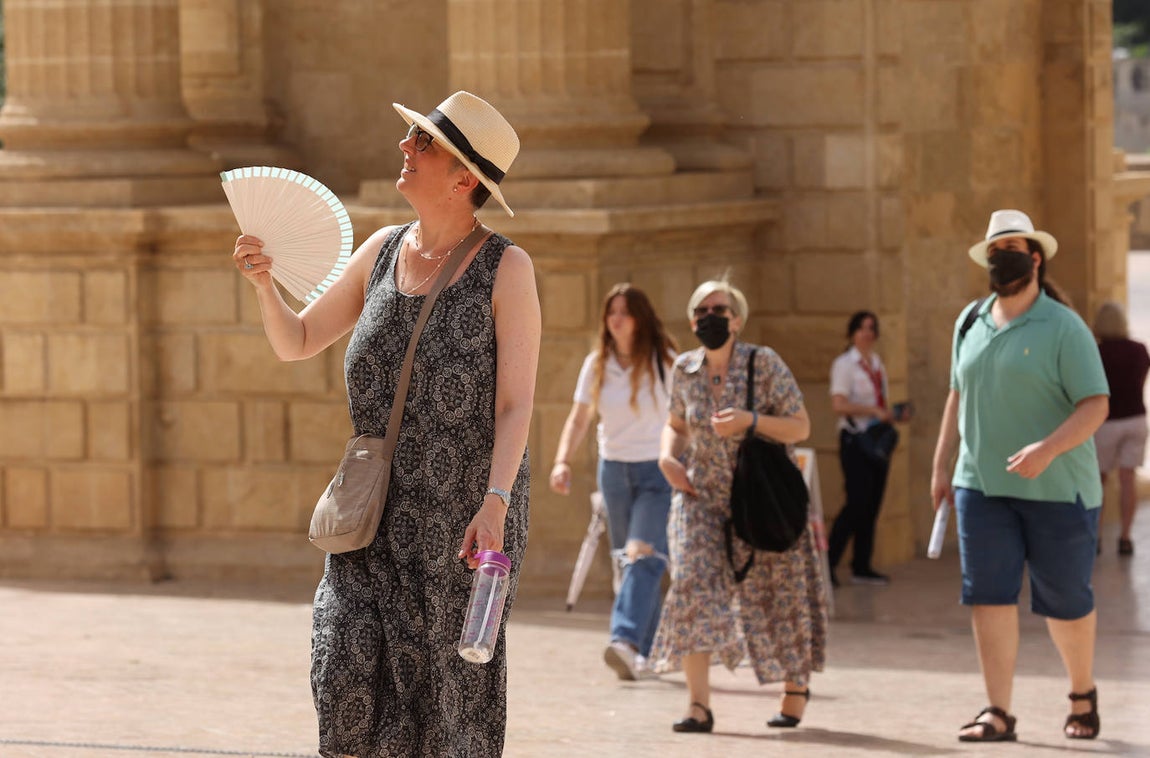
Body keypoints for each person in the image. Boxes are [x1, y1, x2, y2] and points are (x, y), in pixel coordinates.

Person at [232, 91, 540, 757]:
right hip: (368, 514)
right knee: (343, 672)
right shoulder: (380, 250)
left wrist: (496, 503)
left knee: (441, 708)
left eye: (423, 142)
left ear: (465, 178)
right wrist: (266, 286)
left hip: (460, 522)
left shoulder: (506, 269)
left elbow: (517, 405)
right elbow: (299, 339)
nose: (405, 147)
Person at [930, 209, 1109, 742]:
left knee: (1065, 600)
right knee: (988, 596)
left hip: (1057, 488)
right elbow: (956, 395)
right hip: (980, 488)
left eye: (1012, 247)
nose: (1002, 257)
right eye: (994, 249)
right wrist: (942, 465)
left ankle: (1081, 693)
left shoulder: (1063, 326)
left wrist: (1048, 449)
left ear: (1035, 258)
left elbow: (1095, 405)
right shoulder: (969, 320)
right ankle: (997, 711)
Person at [650, 278, 828, 733]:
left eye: (721, 309)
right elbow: (676, 423)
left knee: (778, 593)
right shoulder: (685, 369)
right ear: (692, 321)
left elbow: (800, 426)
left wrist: (750, 421)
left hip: (760, 497)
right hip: (700, 497)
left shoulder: (762, 363)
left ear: (738, 319)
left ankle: (794, 687)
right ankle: (698, 705)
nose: (711, 316)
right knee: (691, 582)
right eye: (702, 310)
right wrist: (667, 455)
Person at [549, 284, 678, 681]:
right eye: (611, 312)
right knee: (630, 562)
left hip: (656, 472)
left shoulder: (666, 361)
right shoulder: (597, 363)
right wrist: (562, 461)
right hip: (614, 472)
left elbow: (684, 419)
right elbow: (579, 418)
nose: (616, 319)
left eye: (625, 311)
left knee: (642, 555)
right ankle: (648, 652)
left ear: (641, 318)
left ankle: (624, 641)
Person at [827, 310, 900, 586]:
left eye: (872, 328)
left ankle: (862, 564)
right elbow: (838, 404)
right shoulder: (845, 365)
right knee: (855, 503)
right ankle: (829, 562)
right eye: (862, 328)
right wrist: (871, 410)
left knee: (872, 504)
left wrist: (889, 414)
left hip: (876, 441)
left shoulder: (877, 363)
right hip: (854, 440)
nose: (867, 333)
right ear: (852, 333)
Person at [1092, 300, 1150, 556]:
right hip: (1136, 420)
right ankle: (1125, 537)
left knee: (1098, 481)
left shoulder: (1097, 353)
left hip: (1106, 421)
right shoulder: (1140, 350)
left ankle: (1096, 536)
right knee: (1128, 480)